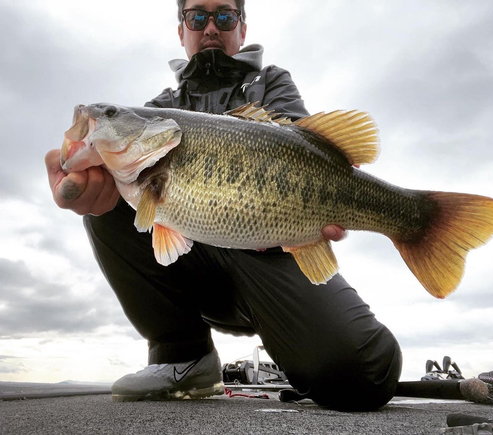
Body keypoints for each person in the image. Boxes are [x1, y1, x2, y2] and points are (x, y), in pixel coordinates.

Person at [45, 0, 402, 411]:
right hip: (197, 264)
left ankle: (301, 340)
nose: (210, 27)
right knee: (106, 199)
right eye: (197, 17)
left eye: (224, 16)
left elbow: (304, 147)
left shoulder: (272, 82)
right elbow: (109, 177)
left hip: (274, 253)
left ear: (242, 28)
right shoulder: (160, 110)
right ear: (182, 31)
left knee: (361, 372)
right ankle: (182, 355)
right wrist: (85, 179)